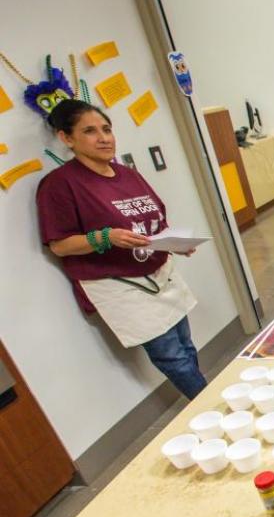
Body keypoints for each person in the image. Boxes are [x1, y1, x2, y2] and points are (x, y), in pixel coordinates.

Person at [37, 99, 207, 399]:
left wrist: (174, 244)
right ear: (66, 138)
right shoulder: (60, 185)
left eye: (107, 129)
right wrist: (106, 237)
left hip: (160, 272)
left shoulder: (128, 175)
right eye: (90, 131)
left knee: (186, 347)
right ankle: (211, 406)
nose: (104, 138)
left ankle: (206, 401)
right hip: (121, 284)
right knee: (173, 358)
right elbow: (60, 245)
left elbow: (155, 222)